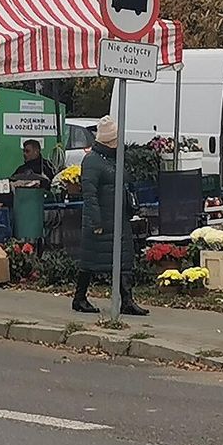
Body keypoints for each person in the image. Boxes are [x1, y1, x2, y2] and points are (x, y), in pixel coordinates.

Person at [73, 115, 149, 316]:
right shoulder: (91, 161)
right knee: (91, 260)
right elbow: (89, 194)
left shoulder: (115, 158)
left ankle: (127, 300)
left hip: (119, 218)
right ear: (108, 140)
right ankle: (79, 298)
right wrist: (95, 222)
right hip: (101, 221)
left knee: (125, 258)